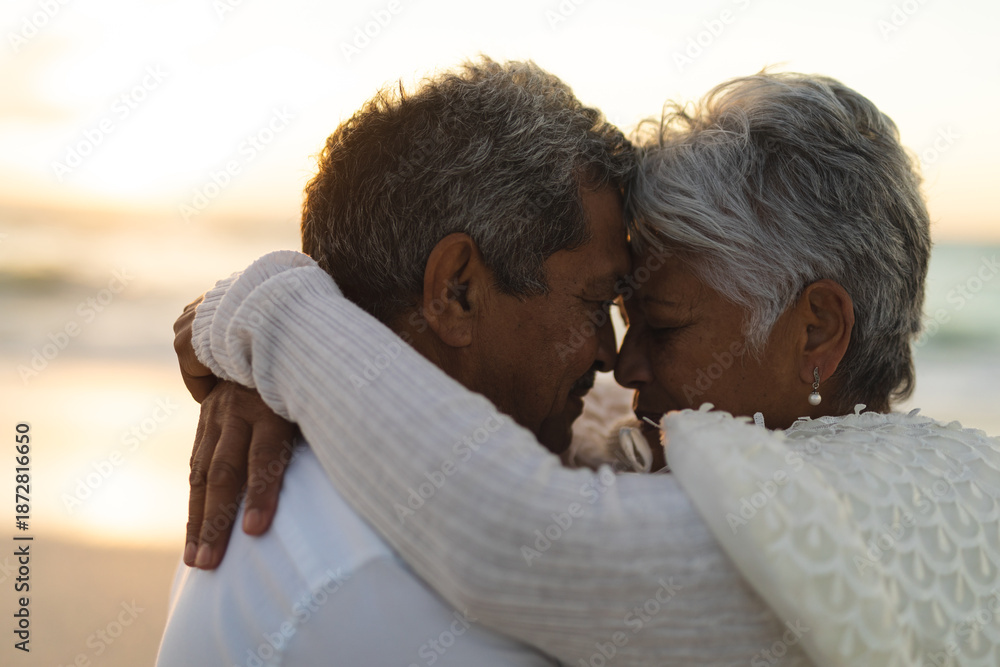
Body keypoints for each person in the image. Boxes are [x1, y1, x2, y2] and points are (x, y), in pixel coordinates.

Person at [173, 72, 1000, 665]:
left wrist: (271, 311)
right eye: (610, 307)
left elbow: (516, 531)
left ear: (815, 328)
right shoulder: (671, 454)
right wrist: (248, 347)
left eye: (662, 323)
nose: (620, 363)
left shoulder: (884, 512)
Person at [156, 56, 635, 666]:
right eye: (596, 303)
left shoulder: (317, 484)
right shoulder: (387, 589)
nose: (613, 355)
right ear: (456, 291)